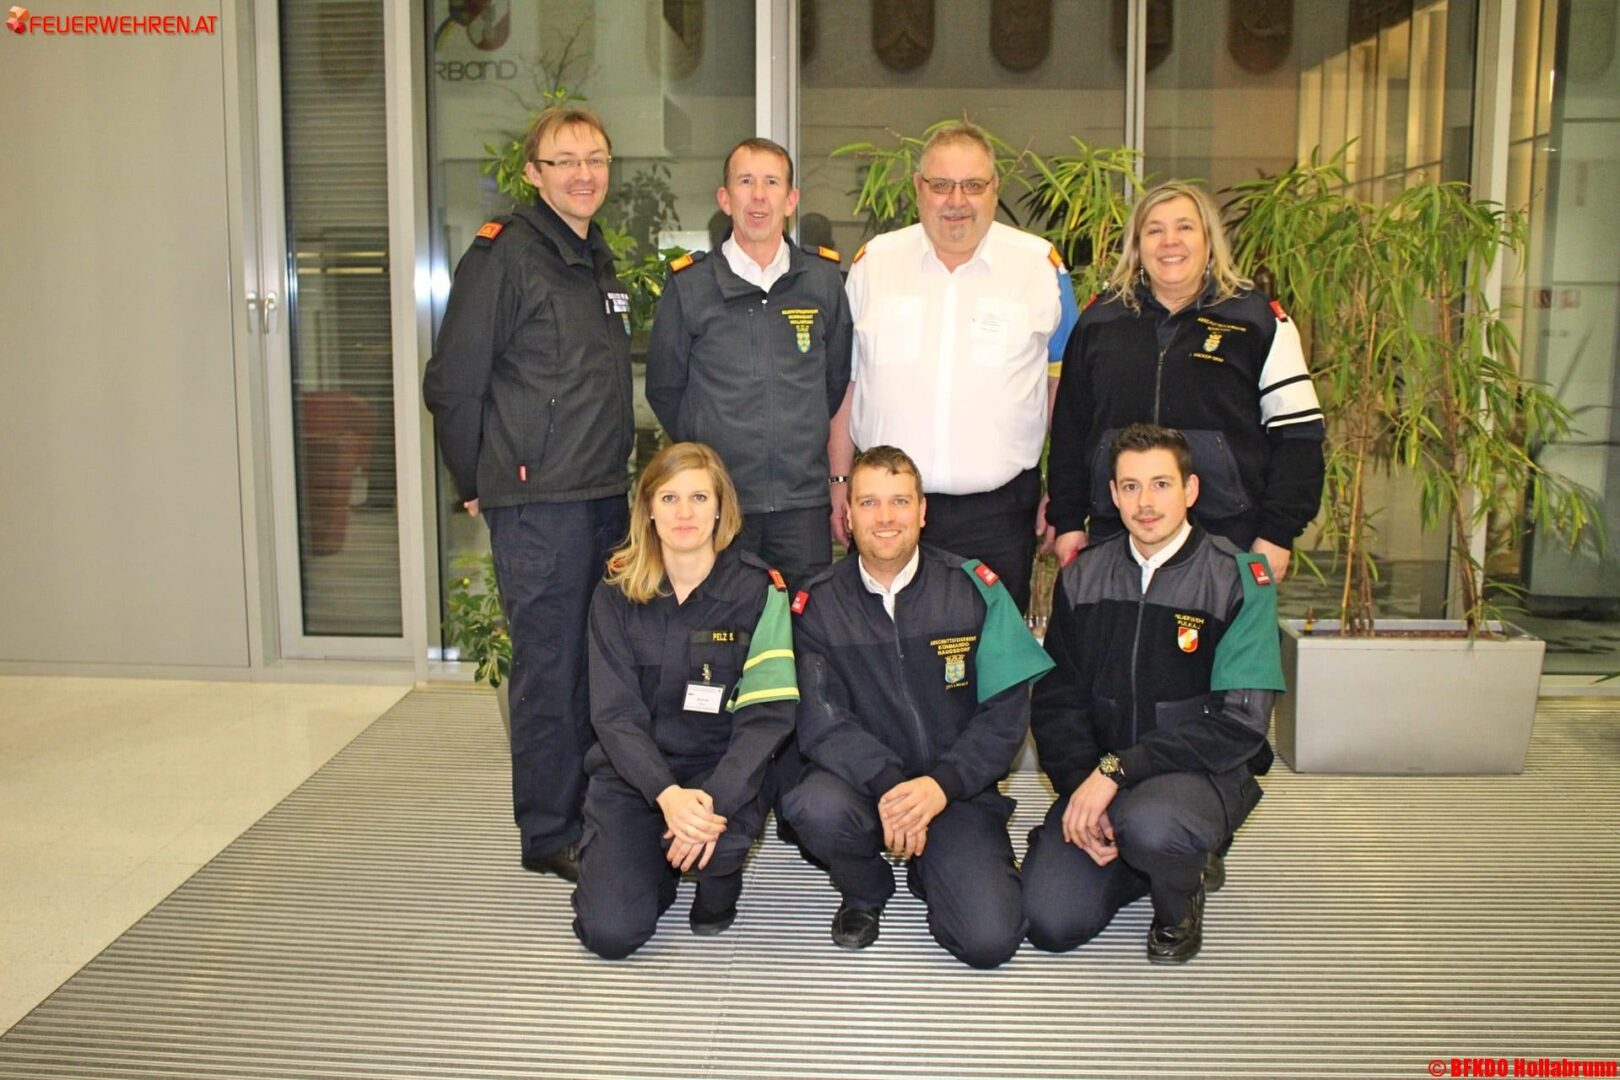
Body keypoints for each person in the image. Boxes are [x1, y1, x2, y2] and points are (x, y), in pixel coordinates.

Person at [423, 106, 634, 883]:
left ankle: (594, 810)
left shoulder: (595, 255)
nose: (584, 174)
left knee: (597, 663)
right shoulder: (505, 255)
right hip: (539, 501)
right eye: (565, 160)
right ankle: (550, 831)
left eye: (596, 159)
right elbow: (453, 382)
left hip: (601, 493)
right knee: (550, 670)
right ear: (534, 173)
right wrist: (473, 480)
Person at [1022, 423, 1286, 964]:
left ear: (1190, 490)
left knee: (1153, 825)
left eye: (1161, 484)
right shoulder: (1083, 577)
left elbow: (1240, 724)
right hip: (1101, 777)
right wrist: (1083, 787)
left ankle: (1177, 894)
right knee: (1050, 920)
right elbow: (1056, 703)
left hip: (1197, 776)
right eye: (1131, 486)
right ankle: (1146, 859)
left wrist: (1117, 771)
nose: (1146, 503)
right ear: (1114, 495)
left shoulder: (1238, 580)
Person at [782, 445, 1054, 968]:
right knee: (813, 807)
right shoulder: (815, 605)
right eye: (869, 502)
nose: (885, 517)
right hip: (862, 784)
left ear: (923, 511)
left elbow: (1005, 716)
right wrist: (891, 785)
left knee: (988, 940)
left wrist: (940, 786)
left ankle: (933, 865)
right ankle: (866, 889)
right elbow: (821, 720)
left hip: (955, 789)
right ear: (847, 515)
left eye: (900, 501)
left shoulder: (976, 590)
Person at [834, 120, 1080, 612]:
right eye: (942, 184)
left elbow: (1065, 393)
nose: (957, 201)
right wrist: (839, 481)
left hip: (999, 513)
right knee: (887, 641)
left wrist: (1066, 493)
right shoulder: (872, 265)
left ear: (995, 188)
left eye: (973, 185)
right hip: (890, 512)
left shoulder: (1039, 268)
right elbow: (847, 384)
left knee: (994, 648)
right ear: (918, 187)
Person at [572, 443, 798, 958]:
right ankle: (653, 863)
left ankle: (715, 877)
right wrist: (667, 796)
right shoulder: (615, 590)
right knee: (611, 933)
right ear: (648, 509)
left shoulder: (761, 591)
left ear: (720, 508)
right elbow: (614, 714)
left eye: (699, 497)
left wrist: (709, 802)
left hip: (722, 773)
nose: (684, 512)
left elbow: (766, 718)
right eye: (669, 498)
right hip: (634, 774)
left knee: (714, 854)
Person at [1047, 180, 1325, 581]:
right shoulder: (1099, 321)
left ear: (1209, 240)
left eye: (1185, 227)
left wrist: (1277, 534)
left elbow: (1299, 436)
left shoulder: (1257, 320)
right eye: (1154, 230)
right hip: (1116, 537)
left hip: (1228, 539)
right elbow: (1070, 432)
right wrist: (1069, 520)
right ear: (1137, 245)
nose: (1169, 242)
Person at [646, 137, 853, 590]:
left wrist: (834, 477)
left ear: (791, 200)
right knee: (723, 626)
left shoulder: (822, 282)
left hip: (802, 507)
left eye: (771, 183)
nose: (759, 196)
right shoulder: (690, 286)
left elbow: (835, 383)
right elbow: (664, 388)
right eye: (745, 182)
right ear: (725, 198)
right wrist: (711, 447)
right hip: (720, 505)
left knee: (804, 625)